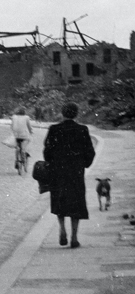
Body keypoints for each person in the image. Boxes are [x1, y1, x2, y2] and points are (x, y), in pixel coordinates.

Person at [43, 102, 95, 248]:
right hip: (75, 172)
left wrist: (52, 162)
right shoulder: (82, 129)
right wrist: (83, 164)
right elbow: (90, 151)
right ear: (76, 114)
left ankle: (62, 229)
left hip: (58, 171)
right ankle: (74, 237)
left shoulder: (54, 129)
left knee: (59, 199)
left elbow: (47, 150)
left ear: (62, 113)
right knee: (76, 202)